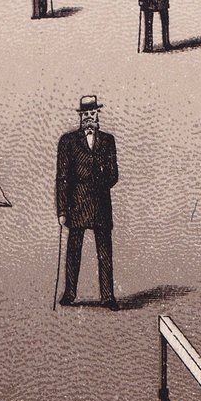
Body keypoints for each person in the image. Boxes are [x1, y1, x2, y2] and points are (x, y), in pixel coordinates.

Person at [55, 94, 121, 310]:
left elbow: (114, 175)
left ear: (97, 115)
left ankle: (108, 296)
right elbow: (62, 177)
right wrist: (62, 209)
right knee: (74, 250)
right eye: (85, 114)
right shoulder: (68, 141)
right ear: (81, 116)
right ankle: (69, 294)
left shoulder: (108, 140)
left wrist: (99, 177)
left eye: (92, 113)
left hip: (101, 203)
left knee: (105, 252)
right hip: (77, 203)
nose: (89, 117)